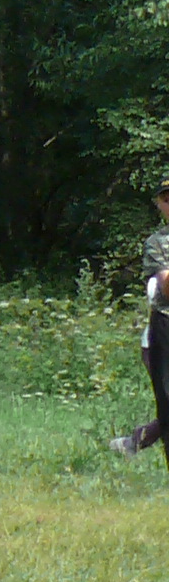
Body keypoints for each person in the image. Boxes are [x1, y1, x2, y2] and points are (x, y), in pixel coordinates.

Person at [114, 183, 169, 460]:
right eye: (166, 199)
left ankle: (135, 441)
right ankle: (135, 441)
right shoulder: (156, 243)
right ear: (159, 204)